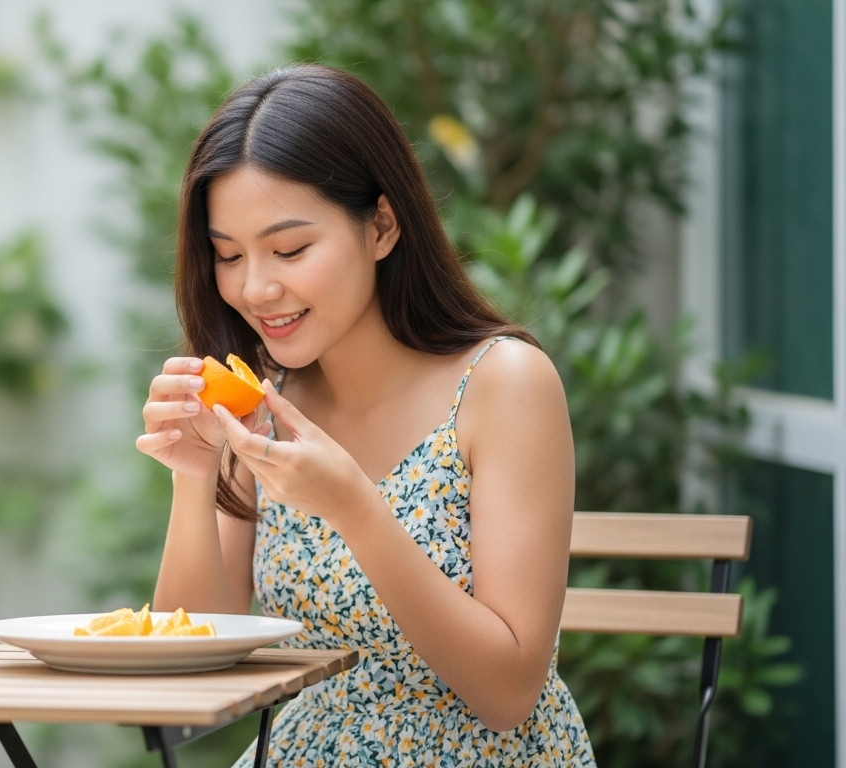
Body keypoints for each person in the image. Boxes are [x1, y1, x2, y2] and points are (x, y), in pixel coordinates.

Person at [137, 64, 596, 766]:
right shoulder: (263, 399)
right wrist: (195, 480)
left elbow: (508, 694)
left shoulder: (504, 384)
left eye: (290, 249)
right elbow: (189, 671)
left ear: (381, 226)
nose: (256, 287)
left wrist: (355, 507)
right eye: (227, 255)